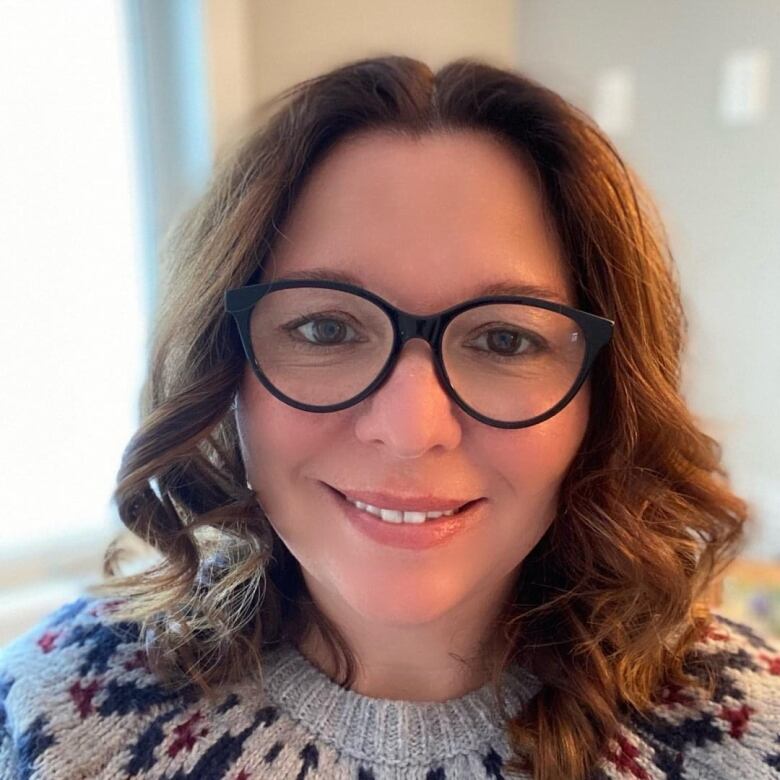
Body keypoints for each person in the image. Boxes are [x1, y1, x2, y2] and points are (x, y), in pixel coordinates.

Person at [1, 55, 778, 780]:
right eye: (325, 329)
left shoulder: (750, 737)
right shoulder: (60, 710)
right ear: (222, 364)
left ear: (604, 398)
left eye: (505, 339)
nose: (411, 429)